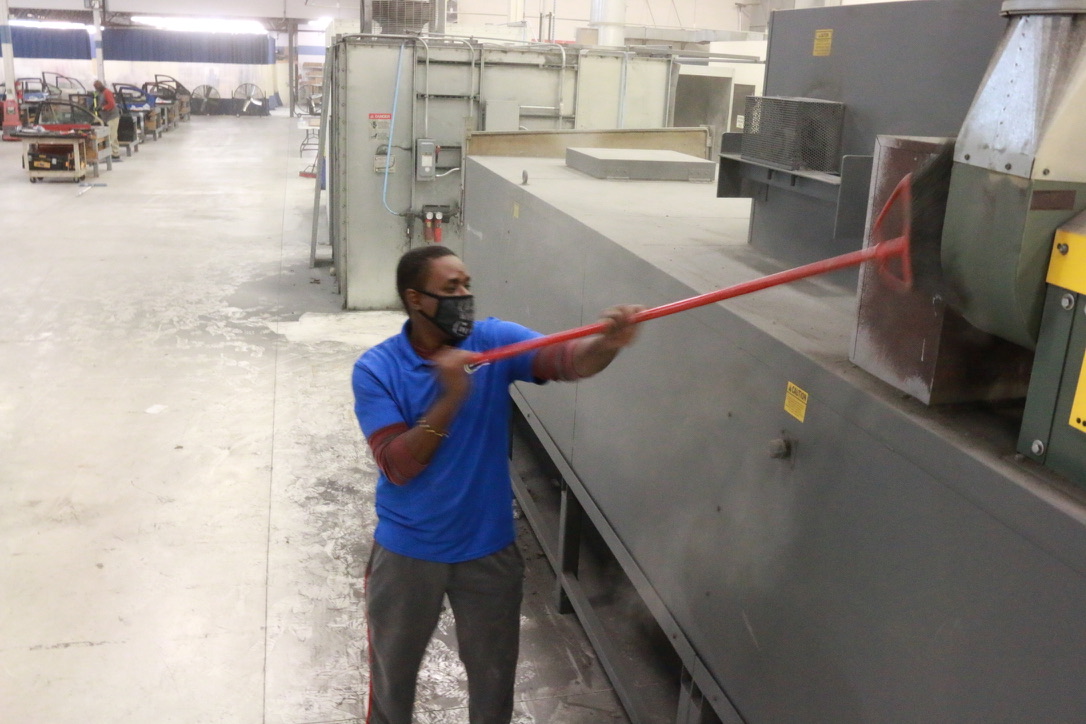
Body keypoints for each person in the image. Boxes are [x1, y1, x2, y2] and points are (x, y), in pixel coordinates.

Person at [351, 246, 642, 724]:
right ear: (416, 299)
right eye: (450, 289)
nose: (464, 296)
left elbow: (569, 360)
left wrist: (608, 343)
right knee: (392, 685)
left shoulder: (494, 342)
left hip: (487, 551)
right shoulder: (376, 370)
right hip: (407, 554)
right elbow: (397, 466)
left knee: (493, 684)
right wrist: (450, 397)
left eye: (466, 284)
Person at [92, 80, 121, 160]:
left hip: (112, 117)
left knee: (112, 135)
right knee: (109, 135)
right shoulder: (101, 93)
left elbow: (111, 104)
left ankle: (116, 153)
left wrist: (102, 108)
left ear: (100, 86)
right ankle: (112, 152)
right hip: (107, 117)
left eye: (96, 87)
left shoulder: (107, 92)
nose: (96, 88)